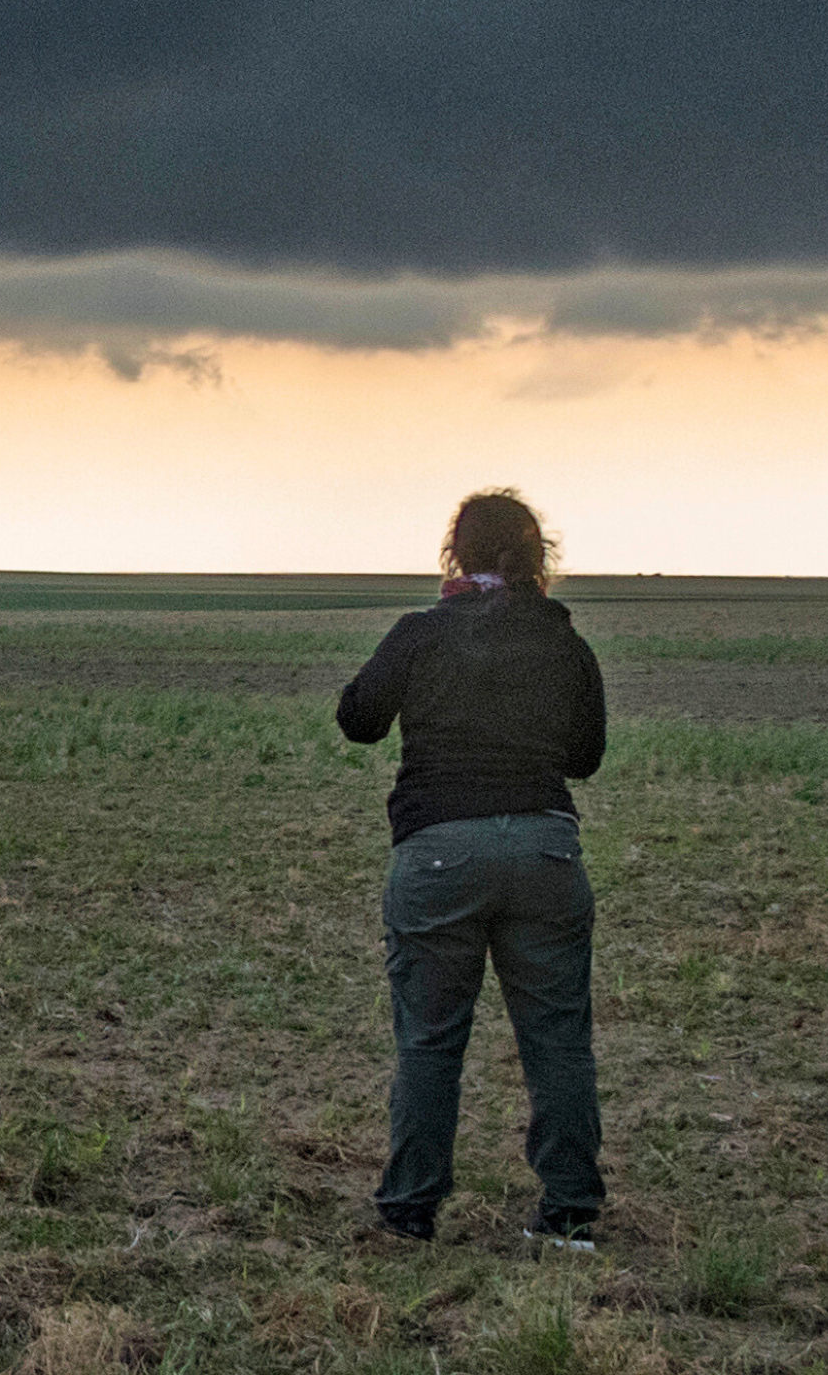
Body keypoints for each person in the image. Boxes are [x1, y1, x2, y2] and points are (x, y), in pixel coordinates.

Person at [339, 489, 608, 1250]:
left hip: (437, 850)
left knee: (429, 1041)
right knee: (557, 1040)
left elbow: (359, 722)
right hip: (545, 847)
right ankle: (569, 1216)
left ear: (453, 552)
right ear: (536, 557)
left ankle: (409, 1213)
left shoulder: (422, 633)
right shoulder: (565, 643)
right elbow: (585, 759)